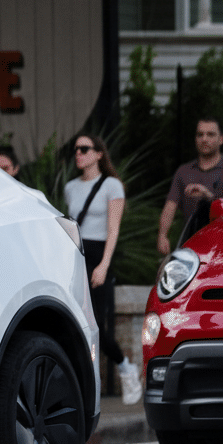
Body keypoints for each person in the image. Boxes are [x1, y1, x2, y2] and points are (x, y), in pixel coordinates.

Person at [64, 134, 141, 404]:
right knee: (78, 324)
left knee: (98, 325)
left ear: (99, 154)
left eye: (84, 149)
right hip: (77, 255)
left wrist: (104, 265)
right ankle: (86, 387)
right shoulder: (71, 187)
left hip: (99, 256)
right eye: (76, 150)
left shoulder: (111, 185)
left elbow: (113, 229)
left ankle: (126, 368)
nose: (79, 154)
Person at [157, 117, 223, 253]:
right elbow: (170, 205)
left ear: (221, 139)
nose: (204, 139)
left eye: (210, 134)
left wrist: (209, 197)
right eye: (200, 134)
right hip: (189, 246)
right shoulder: (184, 171)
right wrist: (162, 235)